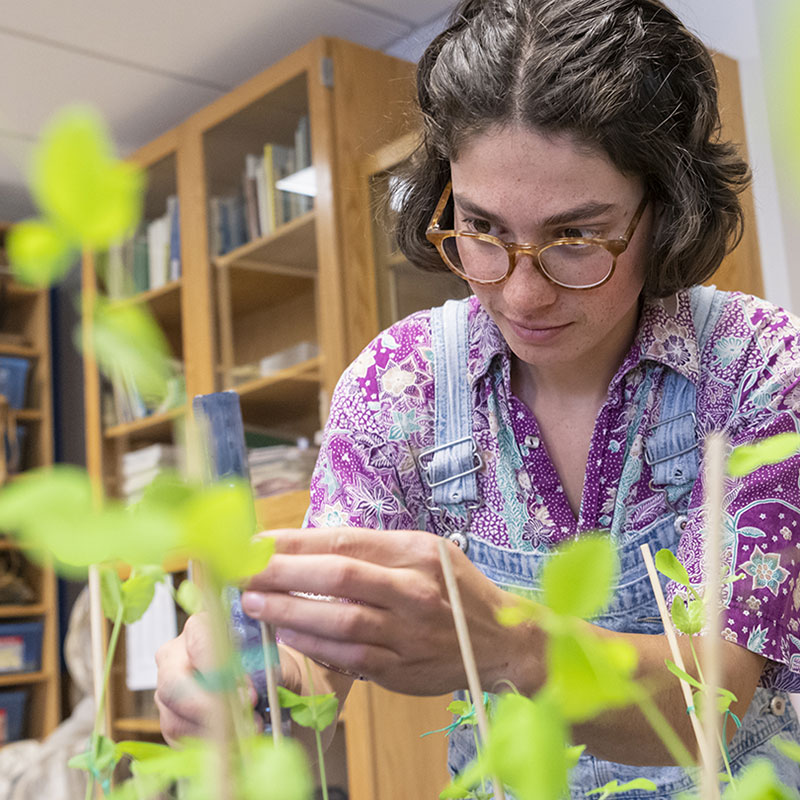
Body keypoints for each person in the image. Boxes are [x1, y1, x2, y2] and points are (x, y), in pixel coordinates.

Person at [156, 0, 800, 795]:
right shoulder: (401, 387)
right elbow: (318, 657)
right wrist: (253, 683)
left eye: (575, 238)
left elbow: (720, 698)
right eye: (482, 229)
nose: (521, 293)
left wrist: (508, 644)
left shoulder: (752, 367)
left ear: (666, 214)